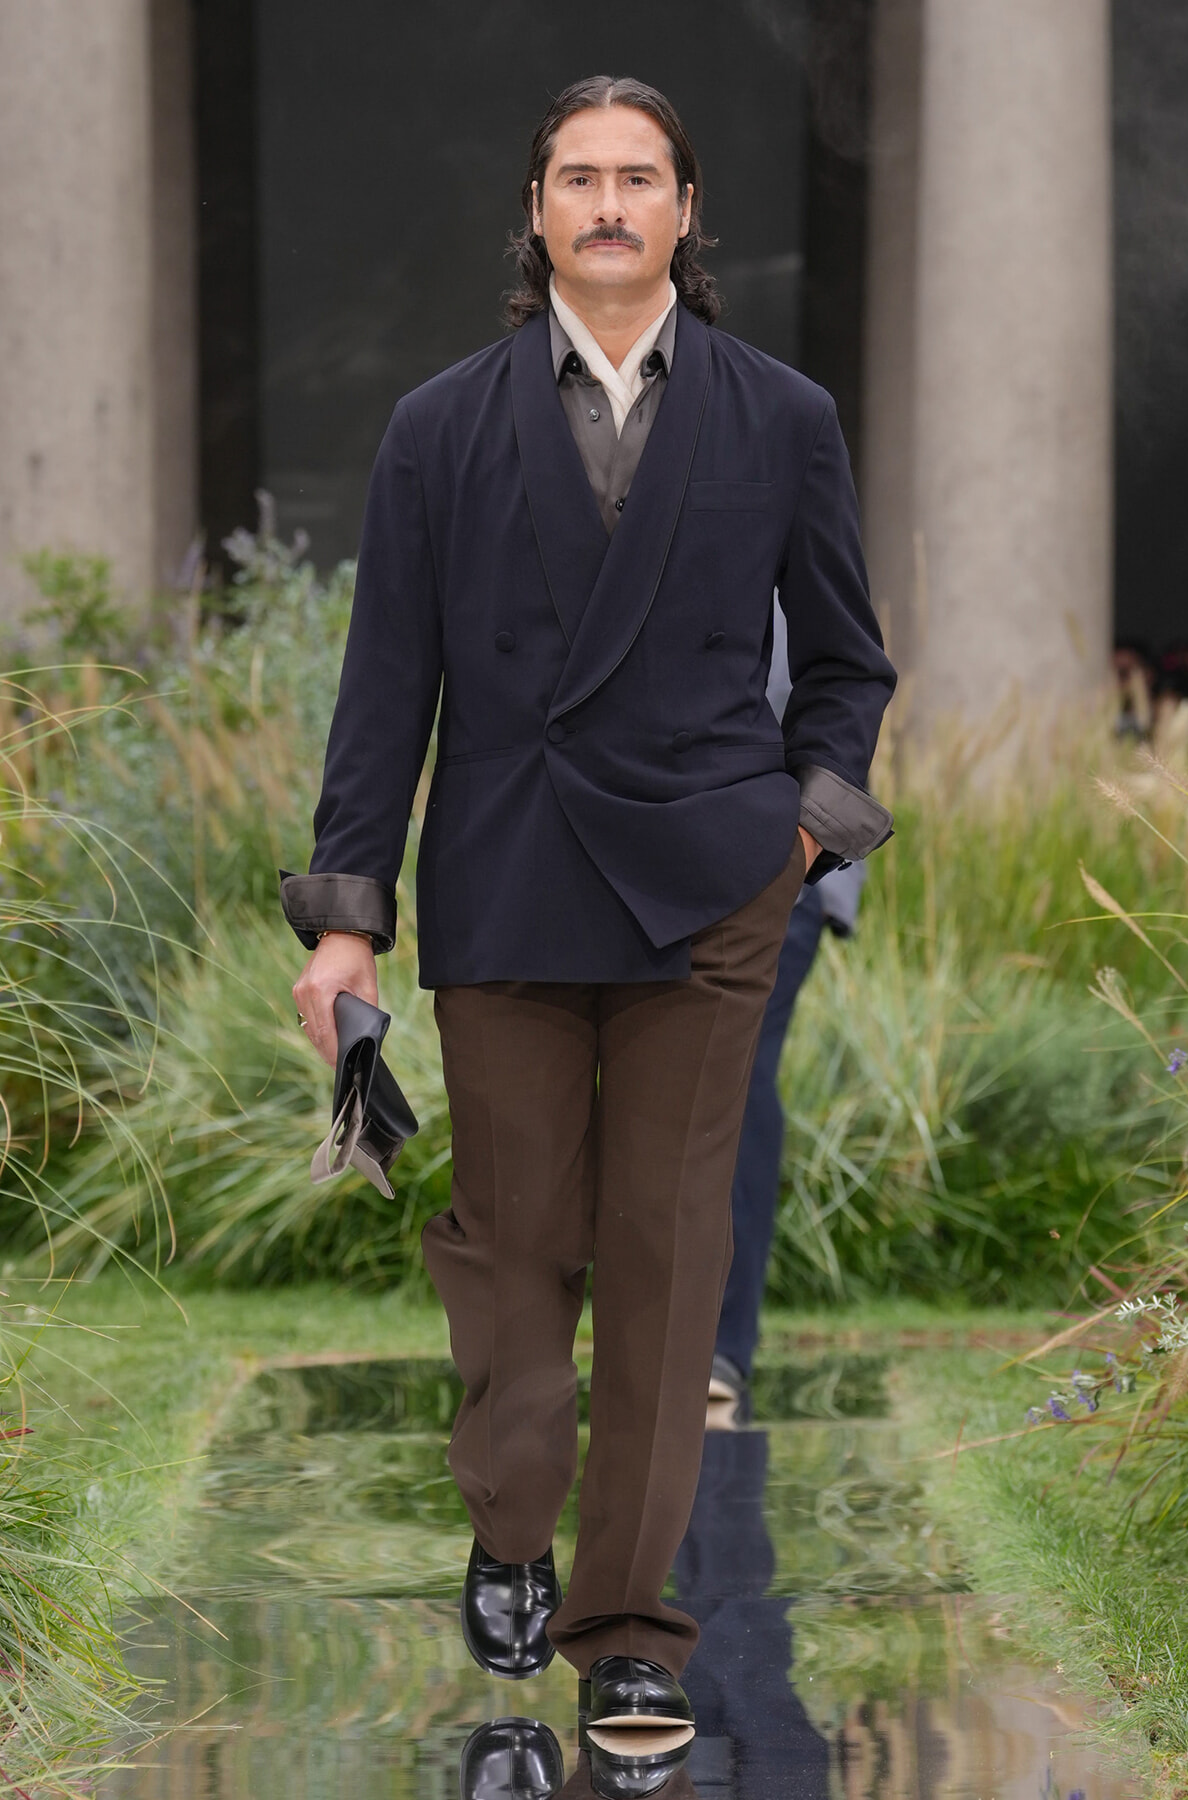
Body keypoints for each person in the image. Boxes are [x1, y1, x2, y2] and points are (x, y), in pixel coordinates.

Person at [285, 73, 895, 1780]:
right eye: (579, 178)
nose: (610, 203)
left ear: (688, 212)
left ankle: (630, 1632)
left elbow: (847, 667)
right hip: (509, 885)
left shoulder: (782, 419)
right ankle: (511, 1527)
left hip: (713, 893)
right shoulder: (438, 430)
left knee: (666, 1257)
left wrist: (801, 831)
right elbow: (383, 692)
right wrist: (347, 926)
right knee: (512, 1243)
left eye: (641, 176)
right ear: (537, 213)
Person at [710, 603, 867, 1418]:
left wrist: (801, 850)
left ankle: (720, 1349)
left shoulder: (773, 510)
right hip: (666, 873)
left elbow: (842, 679)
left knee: (734, 1083)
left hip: (779, 872)